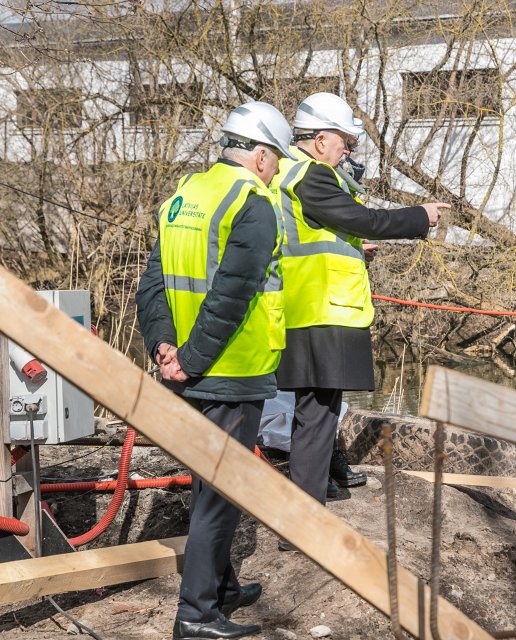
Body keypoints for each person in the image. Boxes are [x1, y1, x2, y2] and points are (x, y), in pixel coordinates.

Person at [135, 101, 295, 639]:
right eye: (275, 159)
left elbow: (152, 282)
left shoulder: (186, 194)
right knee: (221, 494)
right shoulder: (252, 202)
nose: (274, 169)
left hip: (187, 369)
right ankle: (197, 615)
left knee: (209, 485)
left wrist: (164, 346)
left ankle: (221, 587)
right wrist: (193, 359)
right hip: (230, 370)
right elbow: (232, 294)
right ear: (262, 155)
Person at [272, 92, 449, 546]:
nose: (348, 150)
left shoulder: (288, 173)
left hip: (305, 306)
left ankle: (309, 506)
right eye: (345, 141)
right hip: (320, 309)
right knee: (315, 415)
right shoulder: (310, 176)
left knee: (315, 413)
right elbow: (363, 217)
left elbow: (322, 229)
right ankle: (302, 524)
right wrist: (419, 217)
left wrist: (352, 246)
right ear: (320, 138)